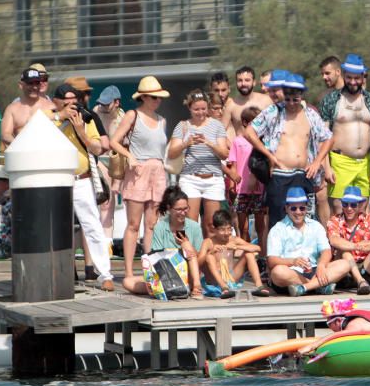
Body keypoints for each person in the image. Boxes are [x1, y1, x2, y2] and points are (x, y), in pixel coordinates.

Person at [244, 73, 333, 227]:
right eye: (288, 99)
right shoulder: (274, 112)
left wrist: (317, 161)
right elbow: (249, 132)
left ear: (301, 95)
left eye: (295, 99)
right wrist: (269, 155)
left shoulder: (310, 114)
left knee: (305, 220)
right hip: (280, 173)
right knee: (278, 222)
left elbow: (329, 138)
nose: (291, 103)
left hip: (303, 174)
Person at [50, 84, 115, 291]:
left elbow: (97, 147)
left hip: (82, 179)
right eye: (66, 101)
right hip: (57, 181)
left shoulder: (87, 118)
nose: (71, 105)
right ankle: (57, 273)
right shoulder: (48, 117)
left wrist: (81, 130)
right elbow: (34, 128)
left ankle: (104, 274)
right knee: (57, 228)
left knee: (93, 226)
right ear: (57, 101)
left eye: (74, 101)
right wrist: (60, 116)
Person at [109, 76, 170, 284]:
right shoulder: (132, 115)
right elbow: (114, 142)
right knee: (133, 224)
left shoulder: (162, 120)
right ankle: (128, 271)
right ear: (143, 97)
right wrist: (130, 157)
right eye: (153, 97)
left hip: (158, 171)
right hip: (138, 170)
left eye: (159, 97)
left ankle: (152, 269)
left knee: (152, 224)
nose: (157, 100)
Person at [318, 54, 370, 214]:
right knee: (340, 210)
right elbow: (322, 137)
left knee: (362, 211)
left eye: (357, 78)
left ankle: (362, 240)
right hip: (340, 161)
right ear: (343, 75)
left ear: (363, 77)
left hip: (365, 163)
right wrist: (326, 167)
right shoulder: (331, 100)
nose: (353, 82)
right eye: (349, 78)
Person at [266, 187, 352, 296]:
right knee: (277, 272)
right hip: (291, 272)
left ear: (306, 208)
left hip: (314, 270)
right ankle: (318, 286)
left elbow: (326, 251)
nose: (298, 212)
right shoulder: (277, 229)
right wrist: (293, 261)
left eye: (302, 208)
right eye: (293, 208)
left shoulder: (316, 225)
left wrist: (321, 265)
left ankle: (304, 288)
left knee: (345, 264)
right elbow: (271, 260)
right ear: (286, 208)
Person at [167, 89, 230, 237]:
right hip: (190, 178)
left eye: (203, 109)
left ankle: (209, 257)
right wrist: (186, 143)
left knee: (211, 224)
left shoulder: (217, 126)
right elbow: (171, 153)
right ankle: (191, 257)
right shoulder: (183, 126)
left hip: (213, 178)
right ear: (189, 108)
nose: (200, 112)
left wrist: (208, 143)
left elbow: (224, 153)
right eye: (196, 109)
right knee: (190, 222)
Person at [123, 186, 203, 298]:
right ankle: (170, 288)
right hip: (166, 273)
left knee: (186, 244)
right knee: (127, 282)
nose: (183, 213)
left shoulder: (194, 226)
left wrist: (186, 246)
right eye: (179, 209)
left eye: (186, 208)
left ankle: (196, 287)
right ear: (169, 209)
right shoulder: (160, 226)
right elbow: (157, 256)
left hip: (189, 273)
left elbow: (199, 257)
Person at [198, 209, 269, 298]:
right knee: (209, 257)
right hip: (213, 279)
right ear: (214, 229)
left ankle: (259, 285)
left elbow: (257, 248)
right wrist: (211, 252)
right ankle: (223, 287)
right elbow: (198, 262)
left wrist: (236, 247)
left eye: (229, 229)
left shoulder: (233, 239)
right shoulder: (208, 242)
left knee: (249, 254)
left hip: (231, 276)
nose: (227, 233)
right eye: (223, 230)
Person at [225, 107, 268, 254]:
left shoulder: (263, 142)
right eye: (253, 122)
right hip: (241, 188)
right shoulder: (238, 141)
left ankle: (262, 256)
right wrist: (232, 183)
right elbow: (233, 163)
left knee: (260, 224)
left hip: (259, 188)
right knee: (242, 225)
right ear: (244, 122)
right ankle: (245, 254)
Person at [92, 84, 126, 241]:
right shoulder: (96, 112)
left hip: (118, 159)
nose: (103, 106)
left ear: (116, 103)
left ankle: (108, 241)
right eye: (102, 103)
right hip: (101, 158)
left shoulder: (122, 118)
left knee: (115, 199)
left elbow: (124, 147)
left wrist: (118, 181)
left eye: (107, 103)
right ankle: (103, 241)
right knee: (104, 202)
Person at [1, 67, 54, 146]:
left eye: (37, 83)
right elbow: (5, 134)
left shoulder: (50, 106)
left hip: (47, 154)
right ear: (21, 85)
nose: (34, 87)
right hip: (23, 155)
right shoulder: (12, 109)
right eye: (30, 83)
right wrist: (20, 145)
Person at [223, 66, 272, 139]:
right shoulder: (231, 106)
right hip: (243, 148)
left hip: (264, 147)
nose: (243, 84)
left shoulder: (267, 101)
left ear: (254, 82)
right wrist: (231, 145)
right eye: (240, 80)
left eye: (247, 80)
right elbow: (220, 133)